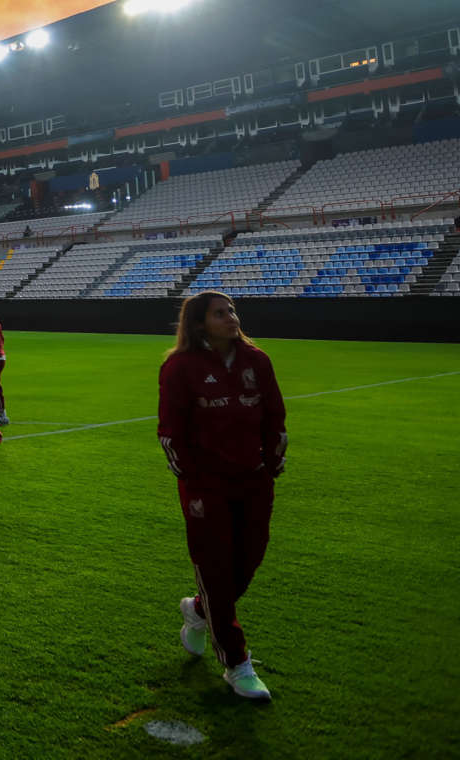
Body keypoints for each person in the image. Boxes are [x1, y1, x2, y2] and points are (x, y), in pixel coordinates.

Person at [157, 291, 286, 701]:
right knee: (215, 569)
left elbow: (275, 417)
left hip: (254, 480)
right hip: (204, 487)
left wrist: (270, 464)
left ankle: (198, 610)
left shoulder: (258, 361)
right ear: (198, 324)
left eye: (231, 310)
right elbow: (170, 432)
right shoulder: (179, 367)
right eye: (219, 313)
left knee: (249, 559)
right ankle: (237, 663)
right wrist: (192, 479)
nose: (231, 317)